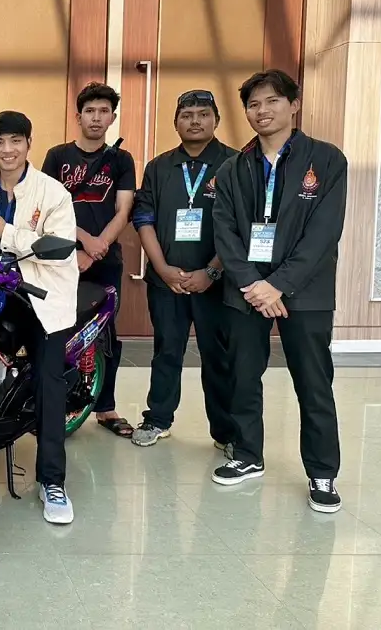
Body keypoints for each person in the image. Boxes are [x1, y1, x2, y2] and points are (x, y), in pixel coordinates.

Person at [211, 69, 347, 513]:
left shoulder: (326, 160)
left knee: (313, 381)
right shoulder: (233, 168)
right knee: (242, 375)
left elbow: (323, 233)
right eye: (253, 104)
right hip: (246, 290)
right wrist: (253, 283)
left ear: (294, 105)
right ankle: (248, 454)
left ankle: (322, 471)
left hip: (304, 292)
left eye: (272, 101)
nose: (262, 111)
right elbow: (225, 232)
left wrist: (278, 285)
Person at [0, 111, 78, 524]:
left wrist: (6, 230)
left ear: (29, 143)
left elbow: (60, 247)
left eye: (15, 141)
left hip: (43, 298)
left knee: (49, 384)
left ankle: (52, 480)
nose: (7, 150)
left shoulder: (52, 192)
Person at [130, 90, 237, 448]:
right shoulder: (159, 167)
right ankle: (158, 419)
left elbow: (240, 226)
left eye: (203, 114)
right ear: (175, 122)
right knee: (166, 351)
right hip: (167, 282)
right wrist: (161, 268)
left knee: (218, 356)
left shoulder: (234, 164)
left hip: (216, 283)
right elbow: (143, 218)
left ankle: (225, 432)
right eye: (187, 115)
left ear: (216, 120)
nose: (195, 121)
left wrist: (212, 272)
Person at [42, 82, 135, 438]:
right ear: (78, 116)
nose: (96, 118)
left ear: (112, 117)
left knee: (105, 334)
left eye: (103, 111)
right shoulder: (57, 156)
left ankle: (105, 407)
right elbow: (47, 209)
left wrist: (99, 247)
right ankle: (55, 402)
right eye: (90, 111)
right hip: (61, 258)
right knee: (56, 330)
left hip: (105, 261)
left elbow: (123, 210)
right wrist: (83, 242)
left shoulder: (121, 160)